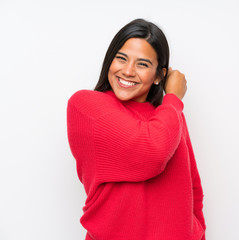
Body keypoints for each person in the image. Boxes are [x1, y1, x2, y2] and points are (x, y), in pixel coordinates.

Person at [67, 18, 206, 240]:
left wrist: (198, 233)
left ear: (160, 75)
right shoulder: (86, 106)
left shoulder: (169, 115)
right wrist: (172, 98)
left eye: (142, 64)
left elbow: (192, 189)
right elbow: (152, 152)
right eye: (121, 58)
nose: (128, 71)